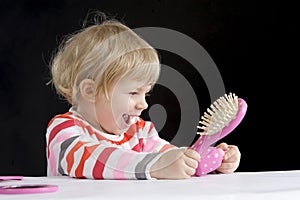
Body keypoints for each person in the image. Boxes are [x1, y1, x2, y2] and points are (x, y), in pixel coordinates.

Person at [46, 11, 241, 180]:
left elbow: (172, 159)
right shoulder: (65, 129)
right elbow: (93, 159)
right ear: (90, 91)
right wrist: (156, 166)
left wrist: (206, 160)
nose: (144, 105)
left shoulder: (139, 132)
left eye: (146, 93)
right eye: (133, 93)